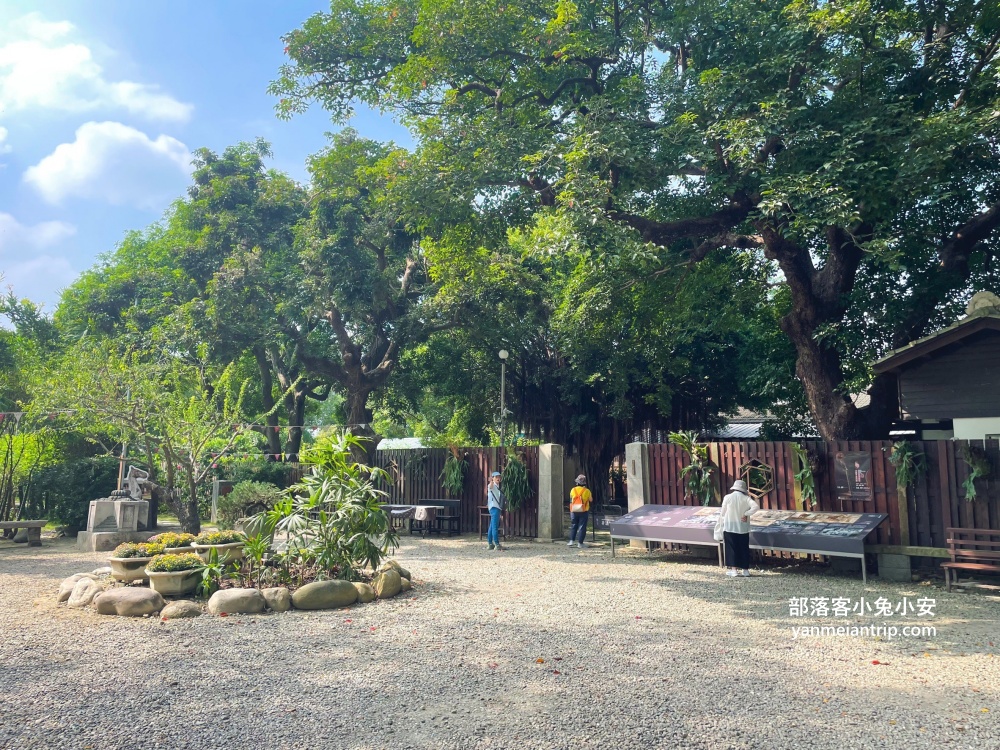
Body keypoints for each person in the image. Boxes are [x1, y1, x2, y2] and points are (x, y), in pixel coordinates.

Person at [713, 480, 759, 577]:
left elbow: (723, 512)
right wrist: (746, 514)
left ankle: (734, 570)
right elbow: (755, 507)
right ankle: (745, 570)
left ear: (734, 488)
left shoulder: (728, 497)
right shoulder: (746, 498)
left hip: (730, 526)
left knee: (731, 548)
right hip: (743, 527)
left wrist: (721, 522)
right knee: (744, 548)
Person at [567, 474, 592, 548]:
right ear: (584, 483)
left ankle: (571, 541)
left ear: (577, 483)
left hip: (573, 510)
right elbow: (591, 500)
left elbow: (571, 498)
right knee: (582, 527)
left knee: (574, 525)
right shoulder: (587, 491)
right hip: (583, 511)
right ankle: (580, 543)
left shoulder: (573, 490)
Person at [486, 471, 505, 551]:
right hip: (494, 507)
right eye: (496, 477)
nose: (498, 478)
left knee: (491, 526)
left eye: (499, 477)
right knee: (495, 526)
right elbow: (490, 486)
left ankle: (490, 543)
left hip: (495, 507)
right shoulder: (492, 485)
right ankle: (497, 544)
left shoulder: (497, 486)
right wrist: (491, 482)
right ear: (493, 478)